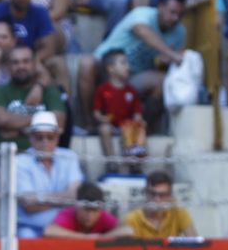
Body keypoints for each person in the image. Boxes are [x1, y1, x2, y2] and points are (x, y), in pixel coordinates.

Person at [77, 0, 185, 133]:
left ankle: (140, 130)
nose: (176, 18)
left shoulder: (180, 32)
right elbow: (141, 30)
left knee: (165, 81)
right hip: (106, 71)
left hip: (133, 79)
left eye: (180, 15)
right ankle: (89, 125)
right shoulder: (143, 14)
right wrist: (170, 53)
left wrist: (164, 62)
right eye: (172, 12)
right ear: (160, 6)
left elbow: (164, 65)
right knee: (86, 63)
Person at [13, 110, 81, 238]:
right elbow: (29, 205)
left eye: (50, 137)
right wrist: (64, 199)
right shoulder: (20, 162)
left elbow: (75, 196)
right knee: (26, 237)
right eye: (39, 137)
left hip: (66, 227)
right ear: (31, 138)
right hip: (31, 227)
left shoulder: (69, 156)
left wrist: (40, 199)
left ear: (57, 138)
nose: (45, 143)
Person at [92, 48, 145, 173]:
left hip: (126, 126)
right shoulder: (103, 90)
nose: (127, 67)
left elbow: (137, 112)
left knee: (136, 126)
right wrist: (102, 118)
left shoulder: (131, 91)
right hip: (111, 125)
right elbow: (96, 112)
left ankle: (134, 163)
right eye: (123, 63)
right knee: (104, 129)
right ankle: (111, 162)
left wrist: (137, 120)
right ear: (111, 69)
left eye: (127, 63)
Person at [118, 169, 195, 238]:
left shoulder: (178, 211)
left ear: (170, 196)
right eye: (152, 194)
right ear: (145, 192)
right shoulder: (132, 219)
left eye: (162, 195)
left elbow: (195, 242)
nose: (157, 199)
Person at [44, 181, 119, 238]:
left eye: (94, 210)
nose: (89, 215)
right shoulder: (68, 214)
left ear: (100, 210)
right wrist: (85, 238)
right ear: (77, 207)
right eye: (86, 209)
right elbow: (49, 231)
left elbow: (124, 230)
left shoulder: (103, 215)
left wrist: (103, 238)